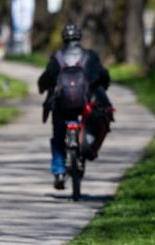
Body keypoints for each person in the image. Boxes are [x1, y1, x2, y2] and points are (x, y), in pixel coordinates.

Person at [38, 24, 114, 190]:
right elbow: (103, 75)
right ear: (79, 37)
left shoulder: (57, 58)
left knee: (58, 137)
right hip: (83, 103)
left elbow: (45, 80)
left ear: (63, 38)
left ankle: (59, 171)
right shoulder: (89, 56)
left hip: (61, 104)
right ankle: (85, 149)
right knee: (89, 124)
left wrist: (44, 88)